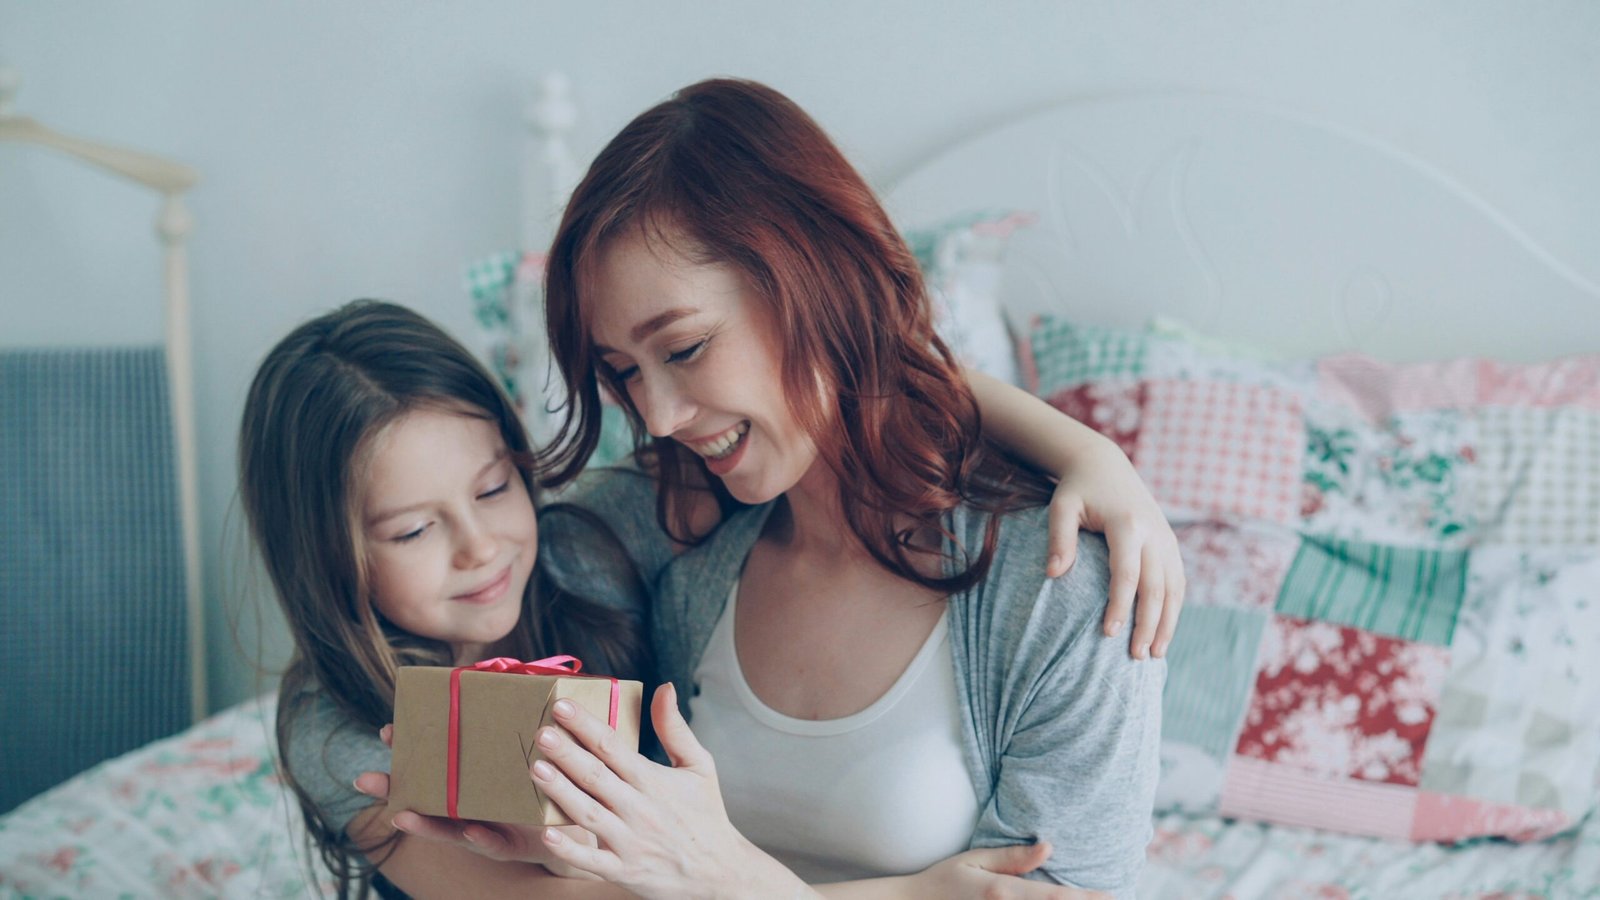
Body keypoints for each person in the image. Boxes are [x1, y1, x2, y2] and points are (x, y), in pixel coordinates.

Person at [385, 79, 1168, 897]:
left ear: (817, 281)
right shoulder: (670, 524)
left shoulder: (1063, 586)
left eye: (684, 349)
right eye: (625, 372)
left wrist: (722, 879)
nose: (657, 417)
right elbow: (382, 630)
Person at [244, 300, 1174, 898]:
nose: (480, 547)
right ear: (328, 558)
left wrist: (1088, 452)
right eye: (413, 531)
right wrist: (910, 895)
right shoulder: (336, 722)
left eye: (494, 488)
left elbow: (846, 390)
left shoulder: (582, 550)